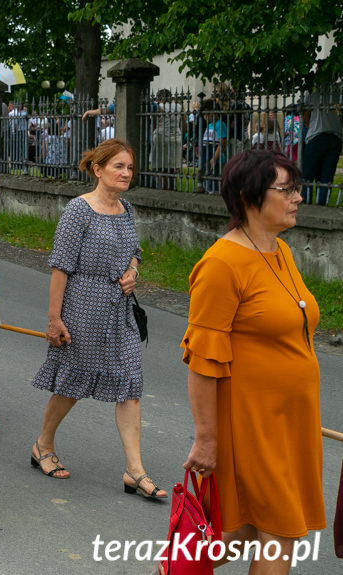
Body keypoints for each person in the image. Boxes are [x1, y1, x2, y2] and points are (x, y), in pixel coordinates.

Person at [181, 149, 324, 573]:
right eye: (287, 189)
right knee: (280, 529)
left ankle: (173, 570)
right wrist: (206, 438)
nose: (298, 197)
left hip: (288, 420)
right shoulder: (222, 264)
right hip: (250, 423)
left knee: (245, 530)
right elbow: (202, 359)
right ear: (249, 196)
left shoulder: (280, 251)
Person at [29, 139, 166, 500]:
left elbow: (135, 251)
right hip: (82, 305)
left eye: (130, 168)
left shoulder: (127, 209)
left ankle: (134, 470)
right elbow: (60, 266)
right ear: (98, 170)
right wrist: (54, 319)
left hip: (119, 310)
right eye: (118, 166)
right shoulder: (79, 211)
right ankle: (43, 444)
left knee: (130, 382)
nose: (126, 174)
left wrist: (133, 271)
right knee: (73, 383)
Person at [300, 84, 343, 205]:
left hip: (316, 135)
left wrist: (310, 128)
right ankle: (322, 206)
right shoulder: (338, 91)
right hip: (335, 136)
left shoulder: (313, 90)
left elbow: (306, 115)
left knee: (308, 176)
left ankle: (307, 204)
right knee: (326, 178)